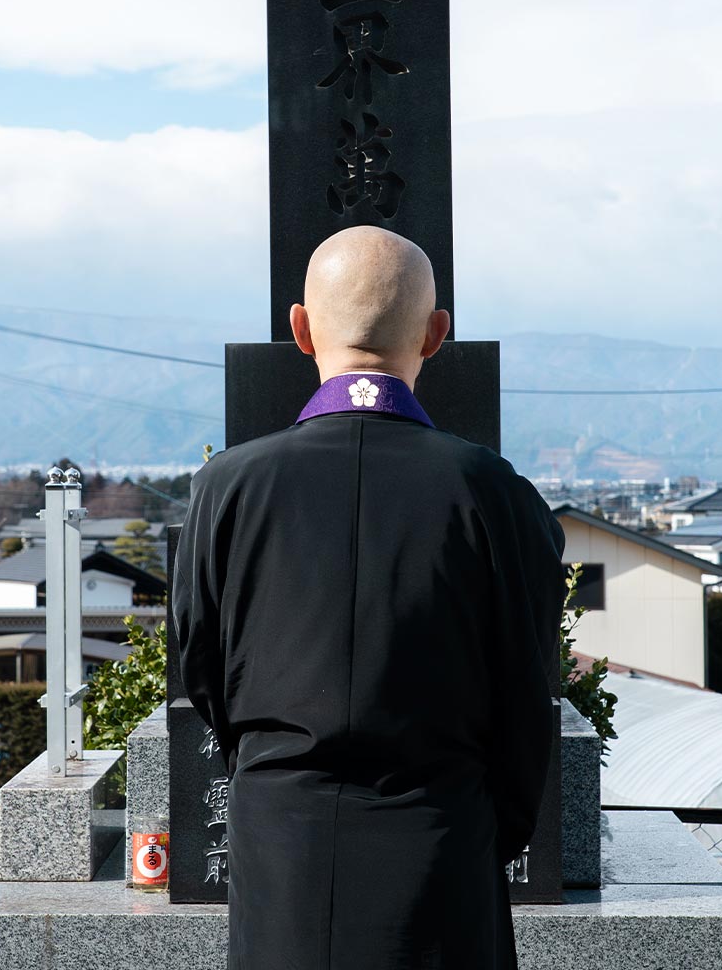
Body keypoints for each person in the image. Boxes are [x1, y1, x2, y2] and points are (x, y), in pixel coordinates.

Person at [172, 226, 565, 970]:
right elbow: (526, 687)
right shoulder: (493, 492)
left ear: (299, 328)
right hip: (441, 838)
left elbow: (203, 670)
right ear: (437, 334)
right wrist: (491, 827)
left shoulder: (226, 488)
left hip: (280, 840)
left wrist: (270, 772)